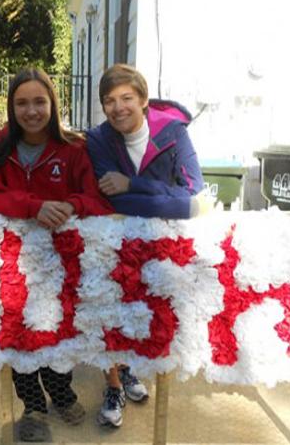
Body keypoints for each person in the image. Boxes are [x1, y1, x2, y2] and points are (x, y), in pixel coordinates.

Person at [0, 68, 113, 441]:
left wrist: (71, 204)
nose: (31, 110)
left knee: (57, 333)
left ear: (53, 104)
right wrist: (31, 205)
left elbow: (97, 199)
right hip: (13, 266)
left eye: (39, 101)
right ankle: (33, 406)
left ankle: (62, 392)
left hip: (61, 265)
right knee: (20, 335)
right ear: (11, 106)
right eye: (22, 102)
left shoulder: (73, 147)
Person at [86, 63, 209, 427]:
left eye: (126, 98)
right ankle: (113, 382)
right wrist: (178, 204)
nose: (118, 107)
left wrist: (134, 185)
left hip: (159, 247)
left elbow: (195, 193)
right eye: (109, 101)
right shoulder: (98, 139)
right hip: (113, 241)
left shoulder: (173, 133)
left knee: (145, 313)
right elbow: (112, 199)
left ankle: (130, 368)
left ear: (143, 101)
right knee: (108, 311)